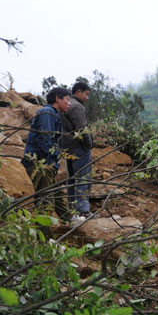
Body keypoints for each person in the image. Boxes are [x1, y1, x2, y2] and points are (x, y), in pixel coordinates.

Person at [21, 87, 71, 222]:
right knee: (45, 200)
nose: (69, 103)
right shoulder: (47, 112)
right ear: (57, 99)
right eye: (67, 99)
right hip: (40, 163)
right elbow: (45, 139)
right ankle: (45, 239)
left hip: (45, 162)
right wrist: (53, 159)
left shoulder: (52, 114)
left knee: (57, 194)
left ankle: (70, 221)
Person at [61, 82, 93, 218]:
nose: (87, 98)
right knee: (82, 177)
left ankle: (72, 209)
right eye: (86, 94)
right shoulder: (77, 107)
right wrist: (89, 144)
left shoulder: (66, 105)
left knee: (72, 178)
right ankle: (83, 210)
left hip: (67, 146)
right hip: (79, 146)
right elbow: (82, 129)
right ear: (78, 92)